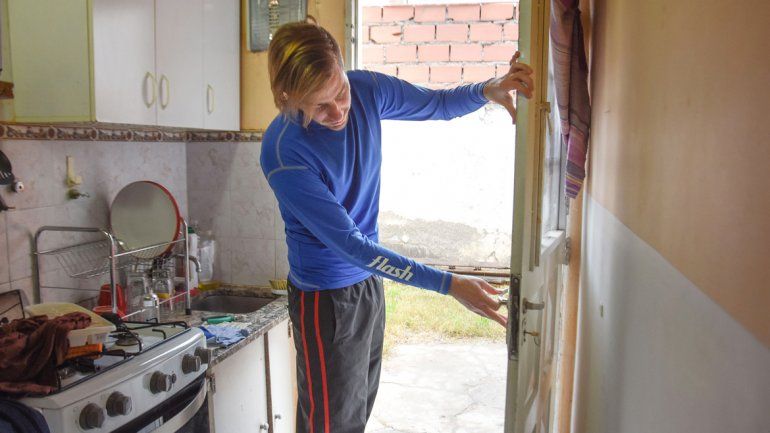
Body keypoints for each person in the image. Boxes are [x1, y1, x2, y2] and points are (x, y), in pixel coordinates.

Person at [260, 20, 534, 433]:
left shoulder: (366, 89)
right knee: (330, 426)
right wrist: (449, 284)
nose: (338, 113)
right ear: (287, 98)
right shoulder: (284, 152)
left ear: (341, 64)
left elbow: (437, 104)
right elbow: (352, 246)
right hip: (326, 302)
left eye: (339, 92)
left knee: (355, 414)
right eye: (318, 107)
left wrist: (488, 89)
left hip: (368, 285)